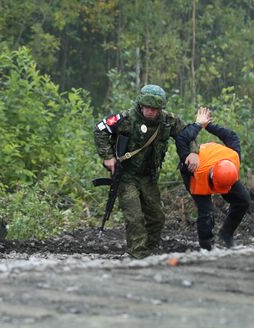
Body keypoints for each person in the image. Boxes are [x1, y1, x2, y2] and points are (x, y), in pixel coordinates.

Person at [94, 84, 190, 259]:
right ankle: (137, 254)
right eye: (147, 107)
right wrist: (108, 156)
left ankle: (149, 251)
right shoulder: (126, 119)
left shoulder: (168, 121)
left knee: (157, 218)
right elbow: (100, 129)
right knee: (135, 217)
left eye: (155, 108)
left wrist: (191, 154)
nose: (150, 112)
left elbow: (186, 135)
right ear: (140, 104)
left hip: (148, 178)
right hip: (126, 177)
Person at [176, 107, 251, 250]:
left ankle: (226, 234)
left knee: (243, 200)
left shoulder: (234, 158)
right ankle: (207, 247)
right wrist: (199, 125)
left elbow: (232, 136)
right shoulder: (194, 168)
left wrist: (209, 125)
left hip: (223, 174)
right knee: (206, 212)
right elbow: (182, 138)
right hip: (198, 175)